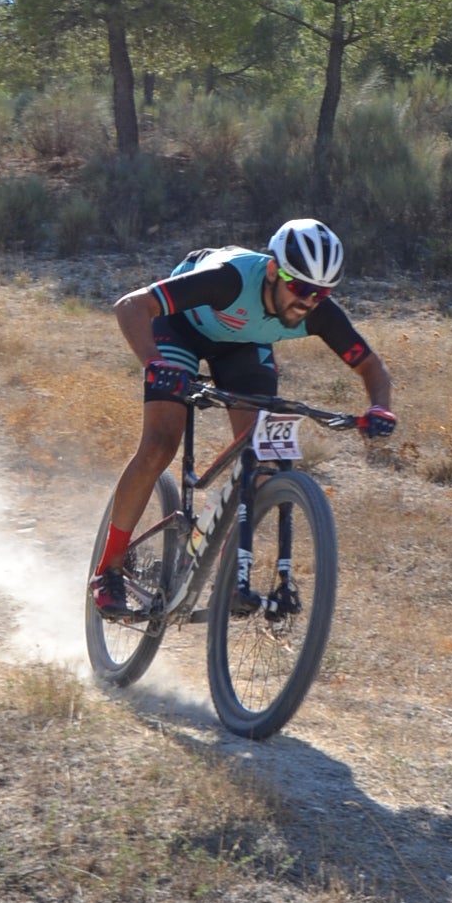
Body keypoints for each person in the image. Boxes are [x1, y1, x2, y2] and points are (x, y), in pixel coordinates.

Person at [91, 216, 396, 614]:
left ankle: (223, 568)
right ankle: (109, 569)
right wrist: (153, 362)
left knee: (263, 461)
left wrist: (379, 408)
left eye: (322, 293)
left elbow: (373, 369)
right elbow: (131, 306)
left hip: (243, 346)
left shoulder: (318, 312)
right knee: (160, 444)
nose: (308, 302)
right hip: (181, 328)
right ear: (273, 270)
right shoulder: (227, 279)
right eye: (300, 287)